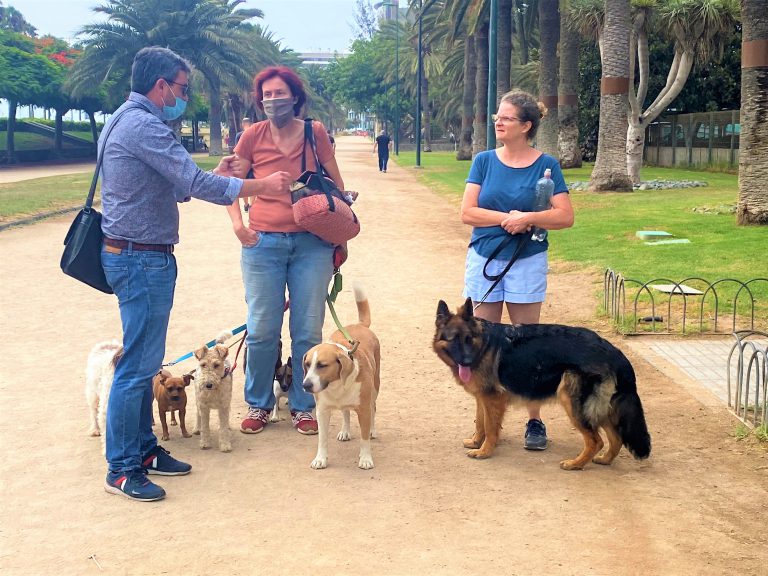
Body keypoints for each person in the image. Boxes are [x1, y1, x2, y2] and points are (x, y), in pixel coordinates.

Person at [99, 46, 291, 502]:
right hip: (141, 257)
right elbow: (196, 184)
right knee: (135, 370)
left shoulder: (124, 118)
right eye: (182, 88)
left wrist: (212, 174)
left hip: (137, 253)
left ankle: (144, 450)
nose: (183, 96)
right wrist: (259, 185)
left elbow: (166, 183)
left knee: (144, 361)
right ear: (161, 85)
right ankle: (123, 467)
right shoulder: (144, 123)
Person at [227, 65, 348, 436]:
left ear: (295, 97)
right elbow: (230, 183)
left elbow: (336, 184)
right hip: (262, 243)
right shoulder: (251, 136)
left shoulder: (315, 132)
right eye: (266, 94)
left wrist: (340, 228)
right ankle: (258, 403)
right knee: (262, 328)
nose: (272, 100)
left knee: (307, 330)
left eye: (279, 93)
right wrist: (239, 225)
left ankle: (303, 404)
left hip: (312, 243)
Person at [460, 89, 574, 451]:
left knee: (527, 342)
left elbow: (564, 216)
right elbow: (468, 212)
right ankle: (485, 424)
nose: (498, 121)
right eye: (498, 115)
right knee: (481, 343)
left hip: (527, 260)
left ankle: (534, 421)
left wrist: (530, 218)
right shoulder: (484, 161)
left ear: (526, 126)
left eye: (506, 117)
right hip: (486, 258)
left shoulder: (547, 166)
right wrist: (509, 219)